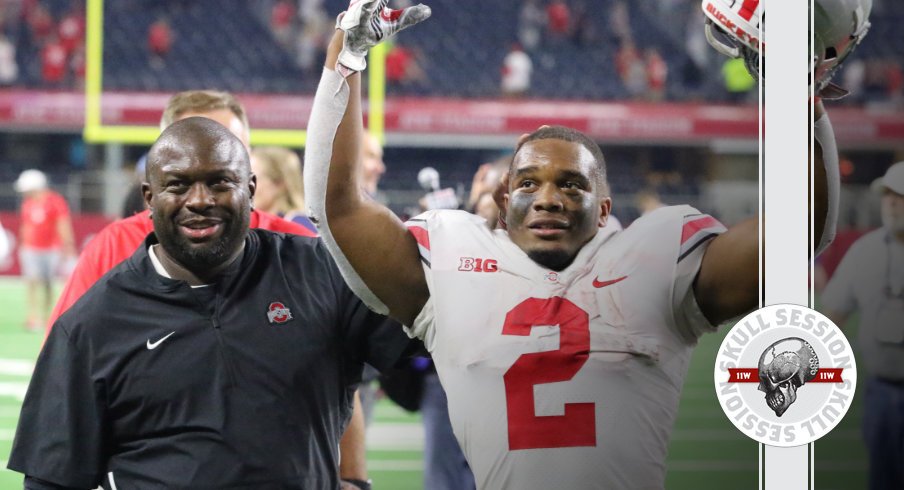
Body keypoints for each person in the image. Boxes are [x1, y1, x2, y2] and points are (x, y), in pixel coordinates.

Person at [301, 1, 843, 488]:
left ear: (605, 208)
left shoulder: (659, 257)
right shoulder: (448, 259)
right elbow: (339, 209)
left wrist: (799, 95)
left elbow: (799, 231)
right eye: (530, 183)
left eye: (572, 184)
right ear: (503, 194)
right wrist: (344, 61)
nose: (549, 198)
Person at [8, 117, 414, 489]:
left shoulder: (321, 274)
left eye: (220, 182)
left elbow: (418, 367)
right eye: (177, 184)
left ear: (250, 190)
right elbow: (51, 479)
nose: (199, 200)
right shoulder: (91, 324)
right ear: (149, 198)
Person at [821, 162, 904, 490]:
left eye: (900, 195)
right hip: (880, 392)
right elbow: (834, 315)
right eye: (888, 195)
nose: (892, 202)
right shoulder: (864, 251)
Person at [15, 169, 76, 331]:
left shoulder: (55, 201)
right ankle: (32, 316)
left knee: (48, 283)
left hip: (51, 249)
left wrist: (67, 245)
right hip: (30, 249)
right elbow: (25, 225)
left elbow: (62, 223)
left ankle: (46, 315)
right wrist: (22, 245)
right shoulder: (27, 203)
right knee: (32, 281)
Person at [250, 146, 317, 233]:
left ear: (279, 184)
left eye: (253, 179)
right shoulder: (253, 224)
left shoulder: (299, 223)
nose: (246, 187)